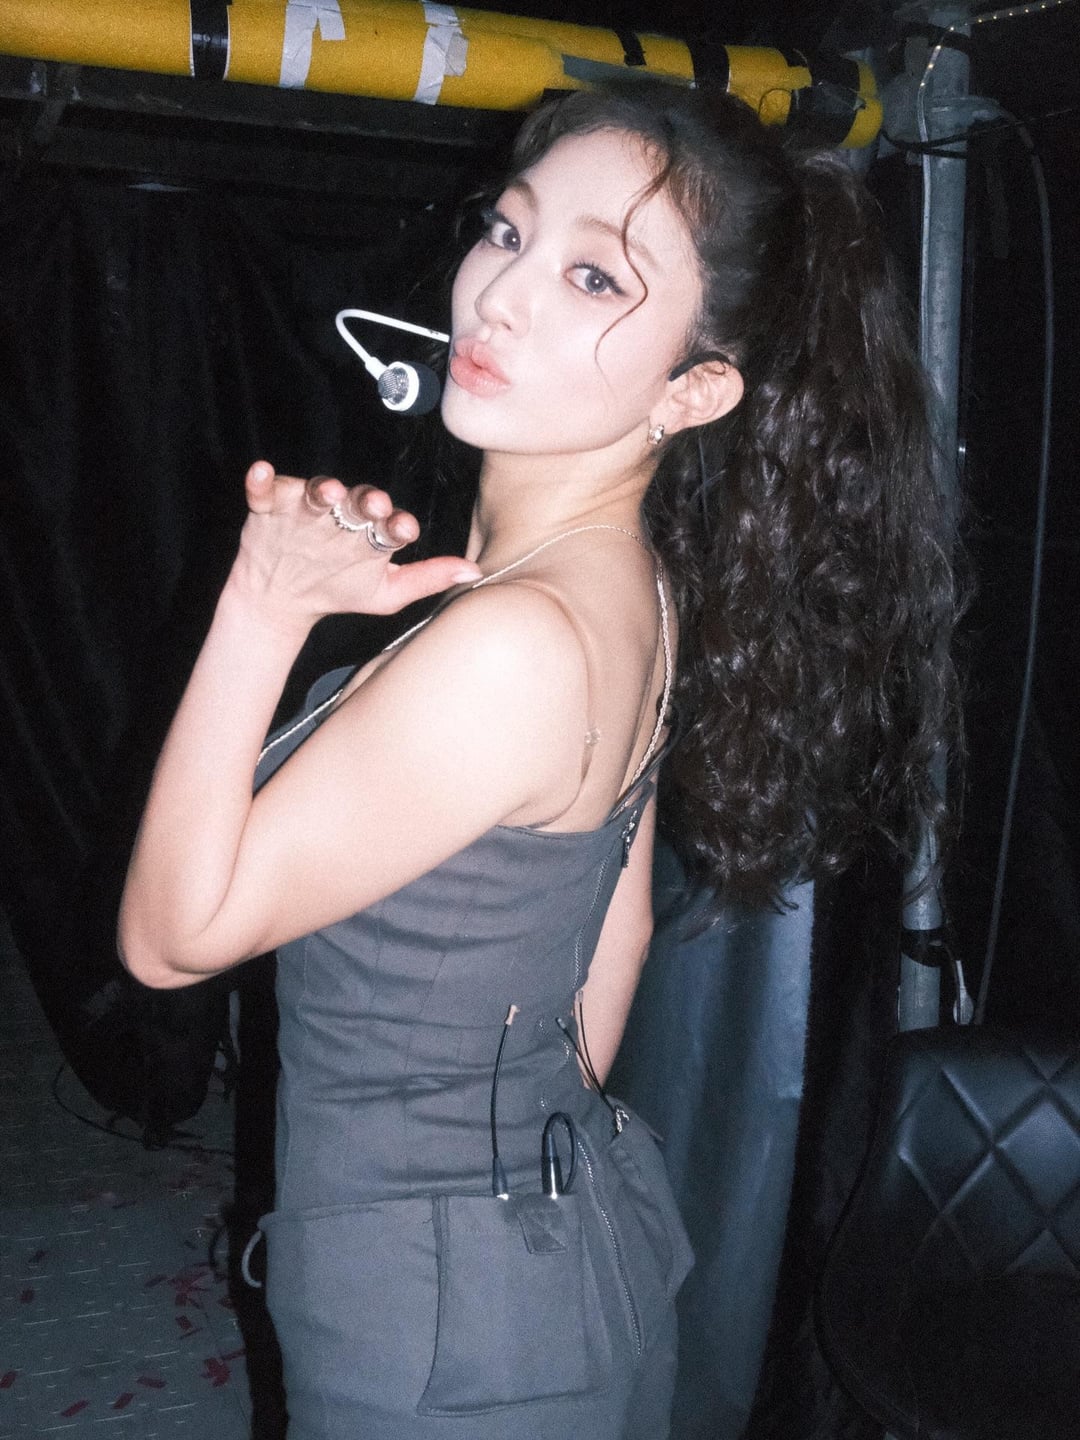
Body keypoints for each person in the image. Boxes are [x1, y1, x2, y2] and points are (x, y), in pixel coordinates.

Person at [119, 83, 958, 1439]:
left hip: (443, 1342)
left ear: (695, 389)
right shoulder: (628, 590)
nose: (499, 298)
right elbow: (609, 950)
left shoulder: (518, 642)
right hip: (557, 1267)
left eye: (591, 276)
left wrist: (264, 607)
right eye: (507, 233)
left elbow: (170, 940)